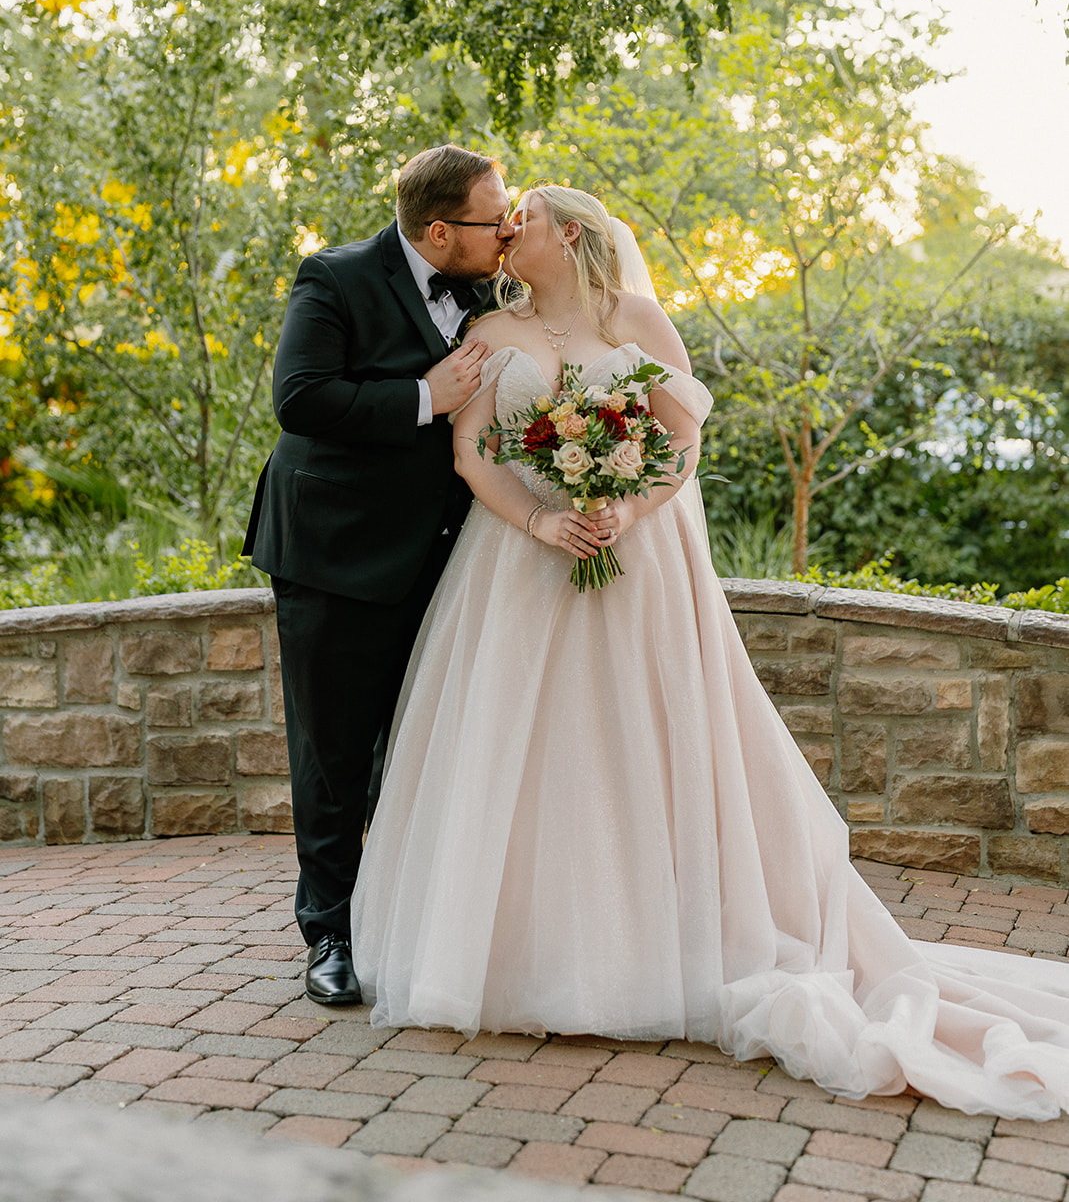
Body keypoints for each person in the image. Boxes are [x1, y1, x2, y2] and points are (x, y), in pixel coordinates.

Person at [352, 183, 1069, 1120]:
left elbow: (681, 443)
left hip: (639, 563)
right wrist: (541, 518)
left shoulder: (638, 318)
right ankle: (529, 956)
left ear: (567, 234)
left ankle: (663, 947)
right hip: (518, 570)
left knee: (646, 746)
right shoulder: (489, 334)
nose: (507, 233)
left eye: (521, 219)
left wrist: (627, 508)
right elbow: (472, 453)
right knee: (531, 757)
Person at [243, 145, 513, 1005]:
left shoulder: (491, 291)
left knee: (422, 745)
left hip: (443, 556)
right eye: (490, 216)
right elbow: (301, 398)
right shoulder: (333, 277)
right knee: (333, 756)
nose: (506, 228)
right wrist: (423, 396)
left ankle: (403, 918)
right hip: (334, 552)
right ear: (438, 230)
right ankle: (327, 933)